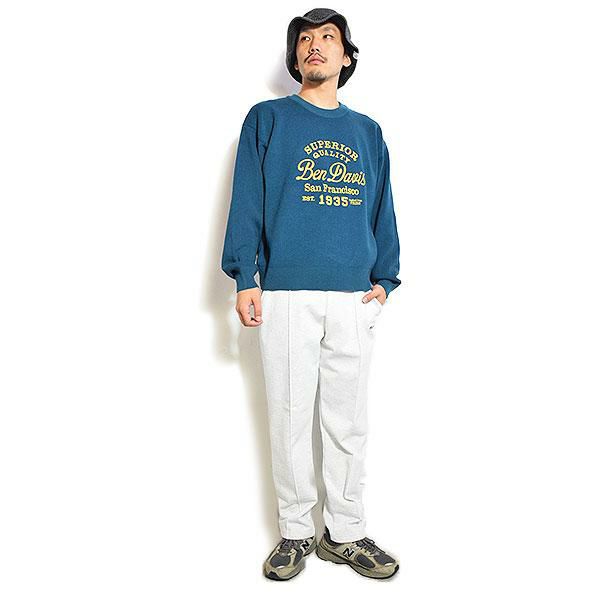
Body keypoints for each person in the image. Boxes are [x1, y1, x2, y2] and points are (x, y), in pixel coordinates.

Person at [220, 8, 401, 581]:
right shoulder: (268, 119)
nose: (314, 45)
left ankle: (344, 533)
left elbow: (383, 206)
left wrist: (386, 279)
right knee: (290, 416)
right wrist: (244, 277)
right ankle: (296, 532)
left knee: (348, 423)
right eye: (305, 38)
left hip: (354, 297)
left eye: (327, 37)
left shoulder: (367, 132)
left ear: (346, 56)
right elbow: (247, 198)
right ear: (295, 55)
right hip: (286, 293)